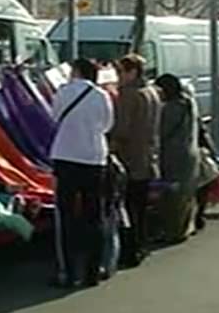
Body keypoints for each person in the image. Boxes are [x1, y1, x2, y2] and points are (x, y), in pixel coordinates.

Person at [49, 58, 114, 287]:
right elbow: (107, 125)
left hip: (65, 156)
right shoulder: (101, 95)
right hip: (94, 158)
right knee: (93, 215)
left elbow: (55, 117)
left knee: (66, 216)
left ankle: (68, 272)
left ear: (75, 72)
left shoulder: (63, 92)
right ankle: (92, 272)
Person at [109, 54, 160, 268]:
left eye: (121, 72)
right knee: (140, 206)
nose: (118, 77)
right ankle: (142, 245)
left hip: (129, 158)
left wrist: (110, 148)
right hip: (147, 157)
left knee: (127, 208)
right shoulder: (152, 93)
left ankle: (129, 251)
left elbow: (122, 129)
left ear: (132, 72)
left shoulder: (128, 95)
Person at [153, 73, 200, 244]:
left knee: (173, 197)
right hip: (190, 153)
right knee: (186, 194)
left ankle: (175, 233)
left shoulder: (172, 108)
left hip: (175, 156)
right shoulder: (189, 102)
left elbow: (162, 131)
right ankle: (188, 227)